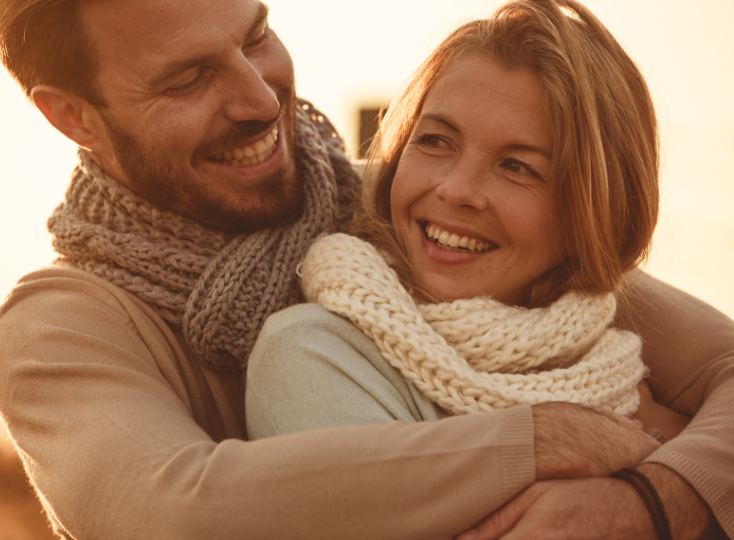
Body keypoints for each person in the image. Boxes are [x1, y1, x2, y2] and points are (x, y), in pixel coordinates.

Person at [0, 0, 732, 538]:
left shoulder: (412, 212)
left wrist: (653, 498)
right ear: (73, 117)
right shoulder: (62, 326)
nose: (256, 97)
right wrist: (546, 441)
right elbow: (173, 512)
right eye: (187, 79)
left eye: (257, 36)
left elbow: (719, 362)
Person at [245, 2, 730, 538]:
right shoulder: (313, 355)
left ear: (594, 211)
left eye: (517, 166)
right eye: (435, 140)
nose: (455, 189)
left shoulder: (619, 361)